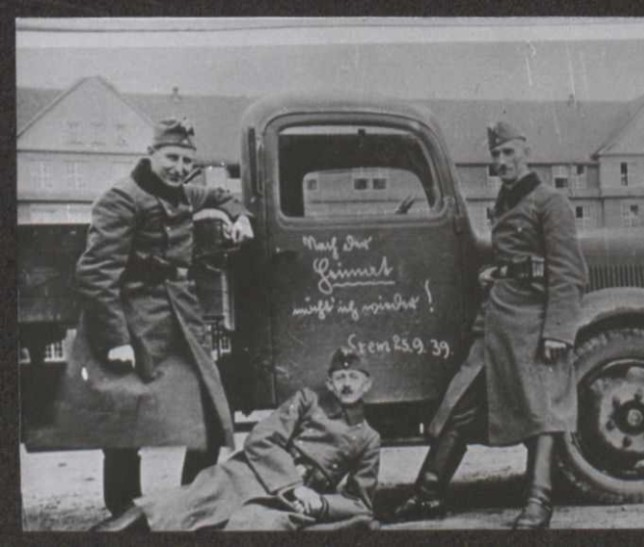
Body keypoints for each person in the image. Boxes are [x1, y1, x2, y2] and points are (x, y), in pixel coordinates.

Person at [41, 117, 254, 517]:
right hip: (133, 325)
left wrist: (237, 215)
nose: (179, 168)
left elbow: (218, 195)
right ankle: (125, 512)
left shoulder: (183, 192)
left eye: (186, 160)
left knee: (210, 415)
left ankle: (191, 504)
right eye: (171, 157)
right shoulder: (122, 198)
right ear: (151, 154)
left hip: (179, 322)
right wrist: (116, 340)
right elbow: (96, 274)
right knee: (126, 423)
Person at [391, 121, 588, 529]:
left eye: (509, 153)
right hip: (497, 323)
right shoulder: (505, 203)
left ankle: (538, 503)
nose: (502, 161)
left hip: (533, 323)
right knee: (460, 405)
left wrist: (558, 331)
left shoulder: (550, 202)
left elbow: (568, 272)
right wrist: (496, 273)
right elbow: (517, 257)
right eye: (496, 155)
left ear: (527, 153)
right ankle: (428, 495)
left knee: (541, 413)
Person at [92, 348, 380, 532]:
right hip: (250, 473)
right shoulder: (308, 400)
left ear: (366, 385)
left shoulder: (369, 439)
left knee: (251, 526)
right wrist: (293, 484)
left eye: (353, 378)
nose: (346, 384)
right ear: (330, 383)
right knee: (178, 504)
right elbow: (262, 439)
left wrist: (320, 504)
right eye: (340, 377)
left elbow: (359, 502)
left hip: (293, 503)